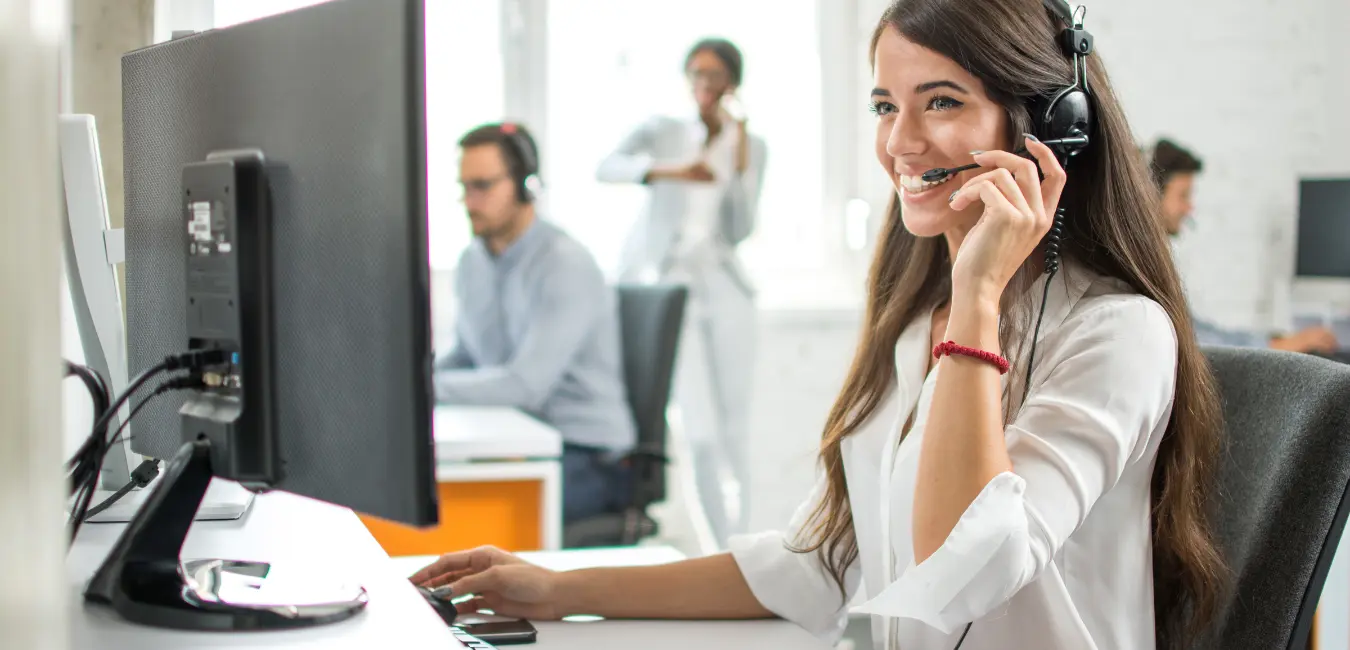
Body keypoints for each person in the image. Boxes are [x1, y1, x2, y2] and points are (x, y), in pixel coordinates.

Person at [414, 2, 1228, 648]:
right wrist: (558, 590)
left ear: (1050, 128)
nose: (900, 142)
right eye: (884, 106)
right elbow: (822, 562)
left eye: (941, 101)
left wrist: (979, 291)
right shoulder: (916, 326)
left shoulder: (1118, 334)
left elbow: (967, 572)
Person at [595, 38, 768, 545]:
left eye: (714, 75)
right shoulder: (663, 130)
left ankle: (741, 547)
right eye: (695, 73)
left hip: (724, 286)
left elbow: (740, 229)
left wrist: (739, 161)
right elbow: (606, 167)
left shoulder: (750, 145)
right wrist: (670, 171)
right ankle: (717, 549)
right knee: (700, 432)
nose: (703, 84)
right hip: (671, 285)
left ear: (732, 83)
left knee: (735, 430)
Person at [435, 122, 636, 527]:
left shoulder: (564, 264)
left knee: (458, 516)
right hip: (521, 441)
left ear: (526, 185)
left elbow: (525, 386)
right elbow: (467, 356)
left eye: (482, 186)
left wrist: (422, 391)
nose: (469, 202)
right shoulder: (472, 261)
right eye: (464, 187)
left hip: (588, 456)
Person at [1149, 137, 1340, 354]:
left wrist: (1272, 342)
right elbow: (1200, 343)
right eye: (1183, 196)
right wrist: (1280, 346)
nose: (1189, 208)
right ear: (1152, 195)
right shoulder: (1146, 265)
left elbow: (1198, 330)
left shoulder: (1157, 258)